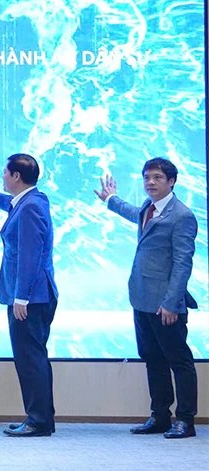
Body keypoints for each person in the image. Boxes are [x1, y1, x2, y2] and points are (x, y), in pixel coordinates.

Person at [95, 158, 198, 439]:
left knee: (179, 361)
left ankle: (185, 420)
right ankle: (160, 416)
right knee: (153, 358)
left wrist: (172, 302)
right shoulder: (148, 207)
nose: (150, 182)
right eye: (147, 177)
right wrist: (111, 199)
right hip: (141, 298)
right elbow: (134, 214)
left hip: (166, 304)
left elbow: (183, 263)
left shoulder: (182, 216)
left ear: (171, 182)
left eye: (157, 177)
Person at [0, 154, 58, 437]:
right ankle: (42, 417)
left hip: (31, 298)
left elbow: (30, 255)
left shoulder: (30, 207)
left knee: (30, 360)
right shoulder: (32, 200)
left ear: (16, 176)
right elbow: (10, 203)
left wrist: (22, 297)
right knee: (34, 357)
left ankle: (38, 421)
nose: (3, 177)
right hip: (35, 296)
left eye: (5, 173)